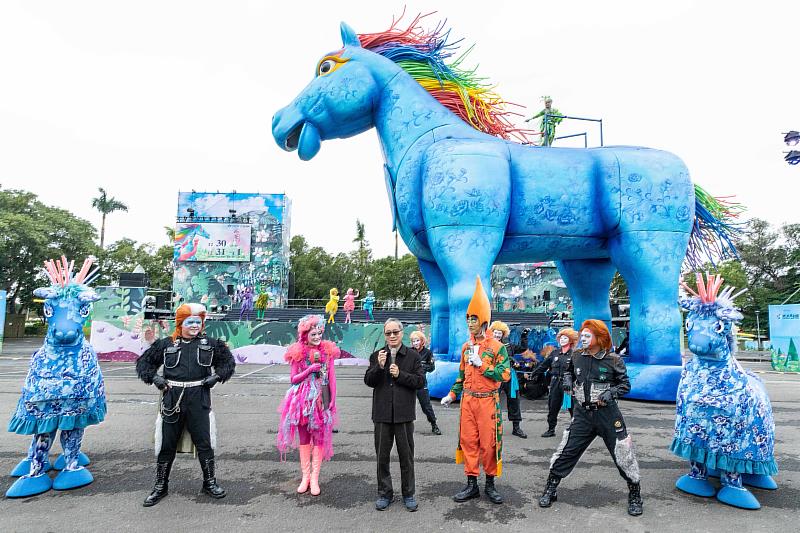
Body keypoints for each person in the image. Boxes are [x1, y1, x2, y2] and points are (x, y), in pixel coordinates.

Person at [538, 319, 643, 516]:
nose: (583, 339)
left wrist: (611, 393)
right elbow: (569, 372)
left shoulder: (613, 360)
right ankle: (550, 488)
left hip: (608, 415)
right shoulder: (577, 356)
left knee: (623, 454)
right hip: (582, 415)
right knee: (567, 450)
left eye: (588, 336)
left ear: (599, 337)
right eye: (582, 335)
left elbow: (625, 385)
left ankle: (635, 493)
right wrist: (568, 381)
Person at [136, 303, 236, 507]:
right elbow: (144, 364)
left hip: (199, 398)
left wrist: (217, 376)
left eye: (198, 322)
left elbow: (228, 363)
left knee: (204, 443)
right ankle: (160, 486)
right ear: (180, 323)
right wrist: (155, 379)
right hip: (172, 399)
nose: (194, 326)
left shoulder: (211, 344)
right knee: (167, 444)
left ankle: (209, 482)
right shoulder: (166, 344)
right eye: (190, 322)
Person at [441, 277, 510, 505]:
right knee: (469, 441)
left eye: (474, 318)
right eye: (468, 318)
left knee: (489, 444)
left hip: (488, 401)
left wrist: (483, 365)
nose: (470, 323)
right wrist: (452, 394)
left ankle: (490, 484)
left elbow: (505, 375)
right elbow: (461, 375)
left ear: (484, 321)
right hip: (468, 401)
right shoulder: (465, 347)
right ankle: (471, 484)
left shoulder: (498, 348)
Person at [364, 318, 425, 512]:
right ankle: (385, 493)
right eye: (388, 333)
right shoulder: (376, 356)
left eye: (395, 332)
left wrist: (400, 375)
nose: (392, 336)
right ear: (384, 334)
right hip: (382, 414)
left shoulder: (413, 357)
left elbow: (420, 382)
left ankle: (408, 493)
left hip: (403, 415)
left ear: (402, 333)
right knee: (382, 457)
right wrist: (378, 367)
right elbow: (369, 381)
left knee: (406, 457)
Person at [277, 315, 339, 496]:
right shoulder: (298, 351)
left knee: (319, 438)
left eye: (320, 332)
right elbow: (293, 379)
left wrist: (332, 399)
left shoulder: (327, 351)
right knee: (304, 439)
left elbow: (332, 377)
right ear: (305, 334)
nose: (318, 336)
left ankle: (315, 478)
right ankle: (305, 477)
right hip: (302, 401)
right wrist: (309, 370)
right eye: (314, 333)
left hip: (321, 399)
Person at [533, 328, 578, 437]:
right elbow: (544, 365)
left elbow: (579, 371)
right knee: (553, 406)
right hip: (555, 383)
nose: (562, 340)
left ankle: (575, 429)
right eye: (561, 337)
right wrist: (534, 373)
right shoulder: (554, 353)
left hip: (568, 385)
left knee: (573, 408)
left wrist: (576, 384)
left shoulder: (575, 354)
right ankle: (551, 429)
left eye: (565, 338)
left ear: (571, 340)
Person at [488, 321, 528, 439]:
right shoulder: (488, 346)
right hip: (495, 377)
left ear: (503, 334)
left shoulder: (508, 346)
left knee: (514, 401)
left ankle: (516, 428)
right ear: (492, 332)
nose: (497, 335)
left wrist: (524, 336)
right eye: (495, 332)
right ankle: (491, 428)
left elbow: (523, 348)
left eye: (500, 333)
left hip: (510, 377)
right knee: (492, 402)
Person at [409, 330, 441, 435]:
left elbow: (432, 367)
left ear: (422, 341)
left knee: (426, 406)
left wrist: (422, 367)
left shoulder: (428, 353)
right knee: (407, 405)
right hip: (409, 382)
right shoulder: (409, 352)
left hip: (421, 383)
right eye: (413, 341)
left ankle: (434, 424)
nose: (415, 343)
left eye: (417, 340)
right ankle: (406, 427)